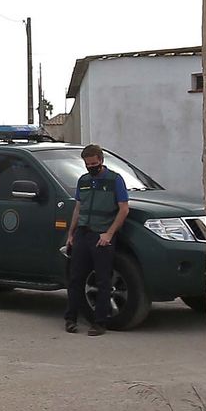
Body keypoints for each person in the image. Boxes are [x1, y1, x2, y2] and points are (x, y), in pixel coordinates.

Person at [63, 144, 130, 336]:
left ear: (101, 160)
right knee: (75, 278)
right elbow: (78, 208)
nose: (91, 167)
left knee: (103, 280)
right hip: (83, 233)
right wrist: (71, 234)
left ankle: (99, 323)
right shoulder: (83, 181)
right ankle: (70, 319)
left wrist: (109, 234)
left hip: (102, 235)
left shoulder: (115, 180)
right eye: (87, 164)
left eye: (94, 164)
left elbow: (124, 209)